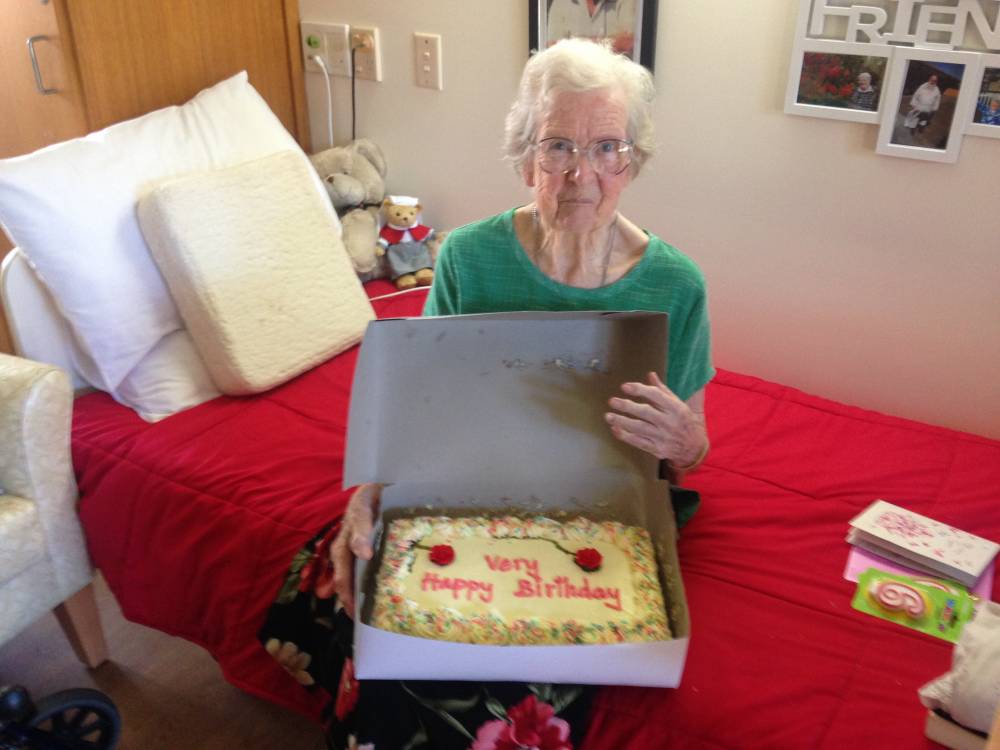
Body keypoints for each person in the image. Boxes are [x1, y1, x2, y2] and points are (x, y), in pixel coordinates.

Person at [262, 38, 714, 749]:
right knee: (371, 589)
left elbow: (693, 441)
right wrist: (371, 491)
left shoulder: (677, 285)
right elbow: (423, 404)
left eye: (606, 148)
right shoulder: (470, 255)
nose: (581, 174)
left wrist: (686, 441)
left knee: (511, 668)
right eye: (558, 145)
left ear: (633, 161)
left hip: (604, 511)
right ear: (524, 153)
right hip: (471, 487)